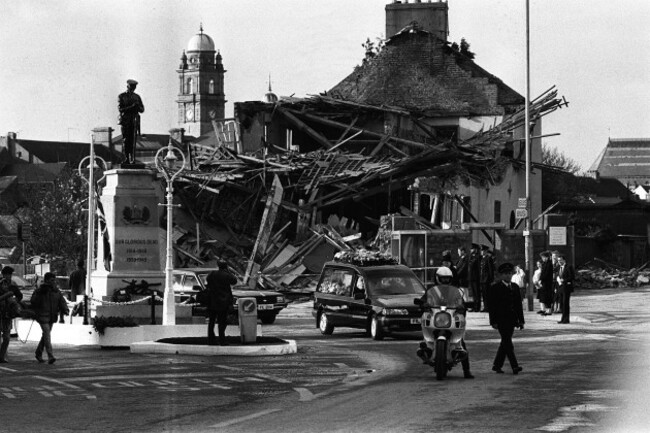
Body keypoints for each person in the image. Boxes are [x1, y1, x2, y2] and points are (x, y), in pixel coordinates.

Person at [419, 267, 474, 379]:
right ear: (437, 278)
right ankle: (427, 349)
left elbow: (461, 303)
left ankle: (466, 370)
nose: (445, 281)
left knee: (461, 342)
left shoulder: (456, 291)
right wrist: (423, 304)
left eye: (447, 279)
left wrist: (462, 307)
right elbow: (423, 300)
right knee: (426, 335)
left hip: (450, 317)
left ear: (450, 279)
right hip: (436, 316)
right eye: (442, 279)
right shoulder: (431, 290)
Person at [488, 263, 524, 375]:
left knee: (505, 343)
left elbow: (518, 305)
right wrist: (493, 321)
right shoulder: (495, 288)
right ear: (501, 275)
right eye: (505, 274)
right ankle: (515, 366)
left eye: (510, 273)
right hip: (501, 320)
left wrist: (521, 320)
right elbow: (492, 306)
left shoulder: (515, 287)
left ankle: (497, 365)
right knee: (508, 343)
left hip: (512, 320)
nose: (508, 276)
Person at [31, 272, 69, 364]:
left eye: (54, 280)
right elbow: (33, 301)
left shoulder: (56, 291)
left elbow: (61, 301)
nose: (53, 282)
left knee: (45, 336)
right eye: (51, 280)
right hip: (42, 316)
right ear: (47, 280)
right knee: (47, 335)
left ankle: (38, 352)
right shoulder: (40, 290)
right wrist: (40, 292)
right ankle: (50, 356)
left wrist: (65, 310)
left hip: (52, 316)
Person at [206, 260, 237, 345]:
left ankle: (211, 340)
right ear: (226, 267)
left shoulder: (212, 274)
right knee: (222, 322)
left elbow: (207, 280)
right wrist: (229, 271)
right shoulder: (227, 275)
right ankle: (222, 340)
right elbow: (234, 281)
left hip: (212, 301)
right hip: (223, 302)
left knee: (211, 322)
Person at [118, 79, 145, 164]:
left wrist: (137, 107)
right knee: (126, 140)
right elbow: (120, 109)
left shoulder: (137, 97)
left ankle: (132, 159)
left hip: (134, 120)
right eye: (132, 86)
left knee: (133, 140)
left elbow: (142, 109)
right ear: (128, 86)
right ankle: (126, 158)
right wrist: (132, 107)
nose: (133, 88)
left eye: (134, 87)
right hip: (126, 120)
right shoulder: (122, 96)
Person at [0, 266, 23, 363]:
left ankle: (2, 356)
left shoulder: (13, 285)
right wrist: (7, 295)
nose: (8, 276)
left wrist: (14, 302)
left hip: (8, 313)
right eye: (7, 274)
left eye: (10, 274)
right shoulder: (0, 284)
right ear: (3, 274)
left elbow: (19, 295)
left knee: (6, 337)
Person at [556, 255, 575, 324]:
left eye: (560, 260)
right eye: (558, 260)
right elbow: (558, 276)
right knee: (562, 304)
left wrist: (564, 280)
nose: (559, 262)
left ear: (564, 260)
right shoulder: (559, 267)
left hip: (566, 288)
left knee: (565, 304)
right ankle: (563, 318)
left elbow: (572, 277)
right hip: (560, 287)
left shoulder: (569, 266)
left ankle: (566, 319)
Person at [479, 245, 495, 312]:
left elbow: (491, 269)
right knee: (484, 294)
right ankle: (485, 307)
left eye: (483, 251)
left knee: (487, 294)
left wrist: (491, 279)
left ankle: (488, 307)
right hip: (482, 279)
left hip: (487, 279)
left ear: (485, 251)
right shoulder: (482, 259)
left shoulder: (488, 258)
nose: (482, 252)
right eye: (481, 251)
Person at [540, 251, 554, 315]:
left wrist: (541, 279)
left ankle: (549, 310)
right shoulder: (544, 264)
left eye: (543, 257)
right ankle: (546, 310)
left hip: (547, 283)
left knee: (548, 297)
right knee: (545, 297)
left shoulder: (549, 264)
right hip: (544, 283)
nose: (542, 259)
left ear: (546, 257)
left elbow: (546, 274)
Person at [468, 244, 481, 312]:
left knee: (477, 293)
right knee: (473, 294)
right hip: (471, 277)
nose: (471, 250)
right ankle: (474, 306)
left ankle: (477, 307)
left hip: (476, 278)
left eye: (472, 249)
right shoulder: (471, 256)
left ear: (475, 249)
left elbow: (478, 268)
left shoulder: (478, 257)